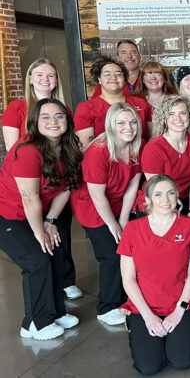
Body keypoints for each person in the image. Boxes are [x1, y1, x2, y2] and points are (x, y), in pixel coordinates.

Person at [0, 98, 81, 340]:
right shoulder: (27, 151)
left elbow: (68, 187)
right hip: (8, 215)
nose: (53, 121)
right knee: (37, 259)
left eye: (59, 116)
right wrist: (40, 232)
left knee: (55, 254)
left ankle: (54, 312)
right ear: (35, 122)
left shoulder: (69, 148)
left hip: (38, 214)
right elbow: (30, 199)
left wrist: (51, 221)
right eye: (45, 117)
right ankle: (36, 322)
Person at [118, 174, 190, 375]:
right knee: (148, 367)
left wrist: (179, 310)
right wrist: (148, 316)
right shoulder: (132, 228)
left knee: (182, 361)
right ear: (147, 200)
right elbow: (128, 279)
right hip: (144, 307)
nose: (165, 200)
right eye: (158, 195)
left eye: (170, 193)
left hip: (181, 302)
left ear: (177, 196)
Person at [71, 103, 143, 326]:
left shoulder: (135, 146)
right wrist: (112, 224)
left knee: (130, 248)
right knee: (112, 254)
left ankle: (126, 298)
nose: (128, 127)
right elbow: (96, 194)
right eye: (121, 123)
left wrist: (123, 219)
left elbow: (133, 184)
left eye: (132, 122)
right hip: (93, 207)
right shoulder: (99, 150)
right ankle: (107, 306)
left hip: (118, 202)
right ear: (111, 124)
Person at [142, 95, 190, 219]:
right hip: (159, 202)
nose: (178, 118)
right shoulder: (154, 148)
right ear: (164, 119)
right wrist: (177, 215)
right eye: (171, 114)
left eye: (182, 113)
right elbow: (157, 190)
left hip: (186, 201)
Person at [75, 56, 152, 146]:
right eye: (107, 74)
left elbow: (153, 136)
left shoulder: (141, 103)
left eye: (118, 74)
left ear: (124, 78)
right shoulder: (86, 107)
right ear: (99, 79)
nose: (113, 77)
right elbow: (86, 146)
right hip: (104, 158)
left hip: (140, 157)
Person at [2, 58, 66, 147]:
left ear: (56, 81)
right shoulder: (16, 107)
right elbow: (11, 149)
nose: (45, 79)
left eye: (51, 75)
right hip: (28, 160)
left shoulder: (64, 109)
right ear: (30, 79)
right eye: (39, 75)